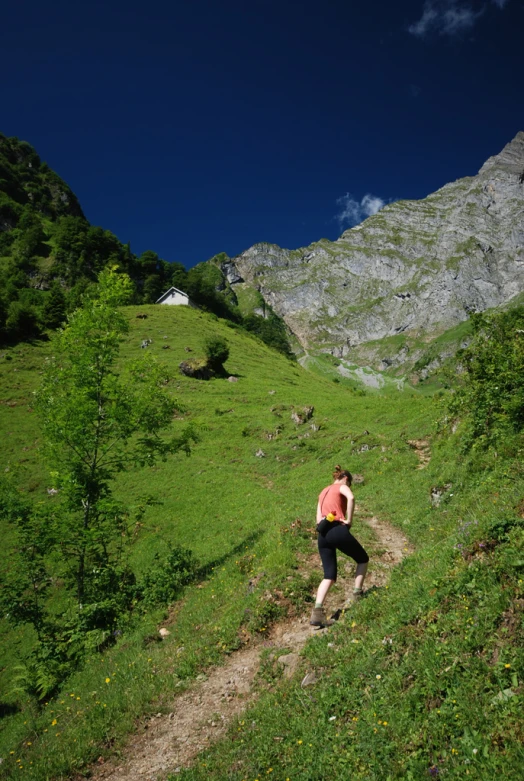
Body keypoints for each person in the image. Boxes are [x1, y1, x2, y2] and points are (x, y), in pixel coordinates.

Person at [310, 465, 369, 628]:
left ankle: (317, 612)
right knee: (363, 559)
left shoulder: (323, 492)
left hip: (322, 534)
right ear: (346, 479)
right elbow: (350, 498)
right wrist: (349, 520)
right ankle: (357, 593)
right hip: (337, 529)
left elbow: (318, 519)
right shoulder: (343, 487)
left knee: (329, 575)